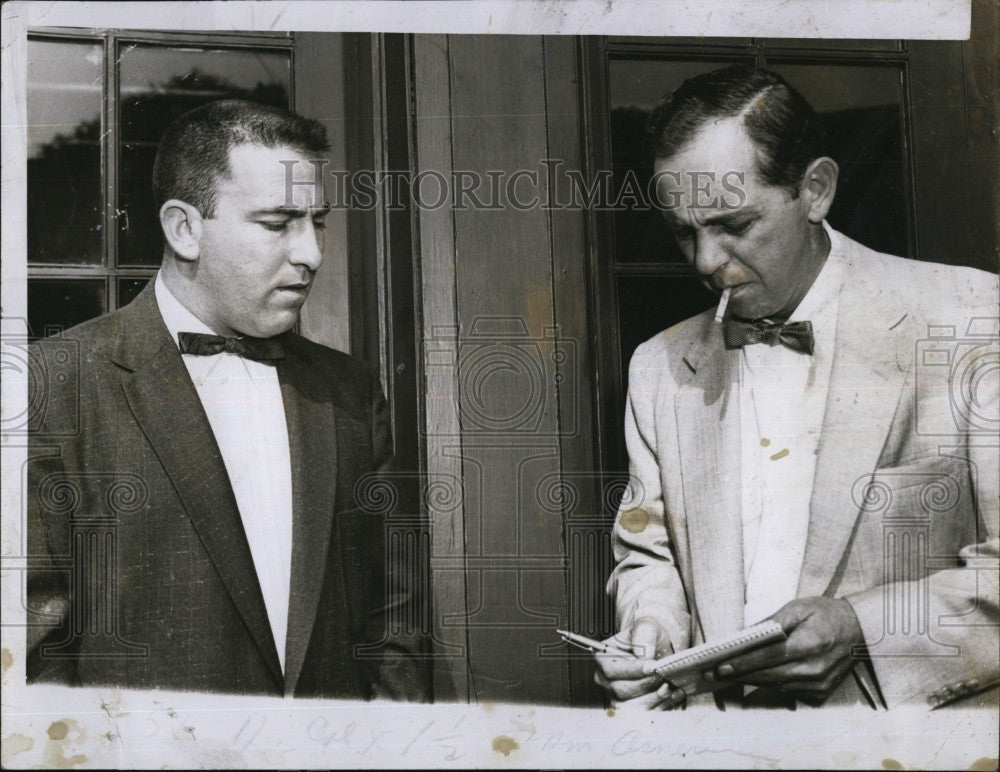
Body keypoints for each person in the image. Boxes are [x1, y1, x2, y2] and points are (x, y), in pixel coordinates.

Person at [596, 66, 998, 710]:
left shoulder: (972, 319)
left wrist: (861, 630)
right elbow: (647, 553)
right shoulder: (657, 367)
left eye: (734, 223)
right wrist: (652, 630)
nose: (704, 261)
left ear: (816, 190)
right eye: (683, 231)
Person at [26, 99, 431, 700]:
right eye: (277, 223)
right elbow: (33, 661)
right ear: (184, 228)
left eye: (317, 221)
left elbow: (395, 624)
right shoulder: (53, 386)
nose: (312, 253)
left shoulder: (350, 392)